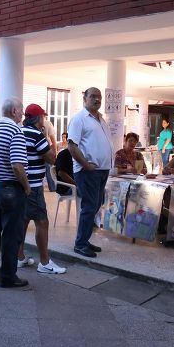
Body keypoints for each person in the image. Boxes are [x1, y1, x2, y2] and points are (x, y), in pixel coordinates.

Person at [0, 98, 30, 288]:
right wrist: (26, 187)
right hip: (11, 188)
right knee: (12, 234)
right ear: (13, 111)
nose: (22, 114)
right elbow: (17, 165)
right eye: (21, 110)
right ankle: (8, 276)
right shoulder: (15, 132)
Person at [18, 104, 66, 274]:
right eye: (43, 117)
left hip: (20, 185)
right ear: (39, 119)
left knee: (23, 220)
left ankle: (19, 257)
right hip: (34, 186)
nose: (44, 120)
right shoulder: (37, 134)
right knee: (42, 222)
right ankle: (45, 262)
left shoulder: (19, 131)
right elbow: (52, 158)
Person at [67, 87, 113, 258]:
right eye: (93, 96)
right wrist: (85, 165)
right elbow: (72, 145)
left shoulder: (101, 119)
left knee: (95, 206)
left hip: (101, 170)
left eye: (99, 97)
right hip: (88, 172)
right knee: (89, 207)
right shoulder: (79, 119)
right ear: (84, 98)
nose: (97, 99)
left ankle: (84, 240)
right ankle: (80, 244)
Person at [42, 114, 57, 191]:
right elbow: (53, 139)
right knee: (49, 169)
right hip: (46, 147)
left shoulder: (32, 123)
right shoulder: (48, 123)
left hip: (36, 147)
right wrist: (55, 152)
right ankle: (52, 187)